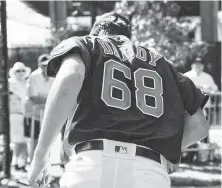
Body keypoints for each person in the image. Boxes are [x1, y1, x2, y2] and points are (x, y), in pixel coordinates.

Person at [28, 12, 209, 188]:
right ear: (129, 37)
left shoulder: (87, 44)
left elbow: (70, 79)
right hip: (149, 170)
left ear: (96, 33)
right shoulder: (164, 64)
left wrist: (42, 153)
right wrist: (170, 151)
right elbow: (200, 126)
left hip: (92, 162)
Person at [24, 54, 54, 162]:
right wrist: (50, 99)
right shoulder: (34, 76)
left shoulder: (53, 76)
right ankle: (32, 164)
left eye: (48, 64)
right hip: (33, 114)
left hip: (47, 114)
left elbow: (56, 96)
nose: (46, 67)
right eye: (44, 65)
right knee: (34, 140)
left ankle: (45, 165)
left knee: (47, 140)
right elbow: (34, 98)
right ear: (39, 65)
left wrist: (48, 99)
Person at [8, 62, 31, 172]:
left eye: (22, 70)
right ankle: (15, 162)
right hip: (14, 116)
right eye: (18, 71)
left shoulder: (28, 84)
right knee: (17, 141)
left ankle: (21, 163)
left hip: (26, 115)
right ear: (13, 73)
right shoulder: (9, 84)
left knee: (25, 141)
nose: (21, 73)